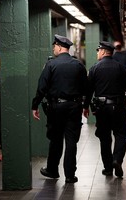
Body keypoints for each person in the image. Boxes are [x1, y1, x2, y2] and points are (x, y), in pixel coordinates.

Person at [32, 34, 88, 183]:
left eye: (54, 47)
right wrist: (85, 105)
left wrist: (35, 105)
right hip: (74, 107)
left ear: (59, 47)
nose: (53, 49)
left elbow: (42, 87)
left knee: (56, 139)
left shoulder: (51, 65)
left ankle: (52, 170)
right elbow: (86, 88)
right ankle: (70, 175)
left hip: (56, 107)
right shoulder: (78, 65)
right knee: (71, 141)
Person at [83, 41, 126, 178]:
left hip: (101, 109)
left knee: (104, 137)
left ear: (102, 52)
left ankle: (108, 169)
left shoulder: (94, 68)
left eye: (98, 51)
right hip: (118, 107)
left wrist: (85, 106)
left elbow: (89, 90)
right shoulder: (121, 68)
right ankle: (117, 160)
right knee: (122, 134)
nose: (97, 53)